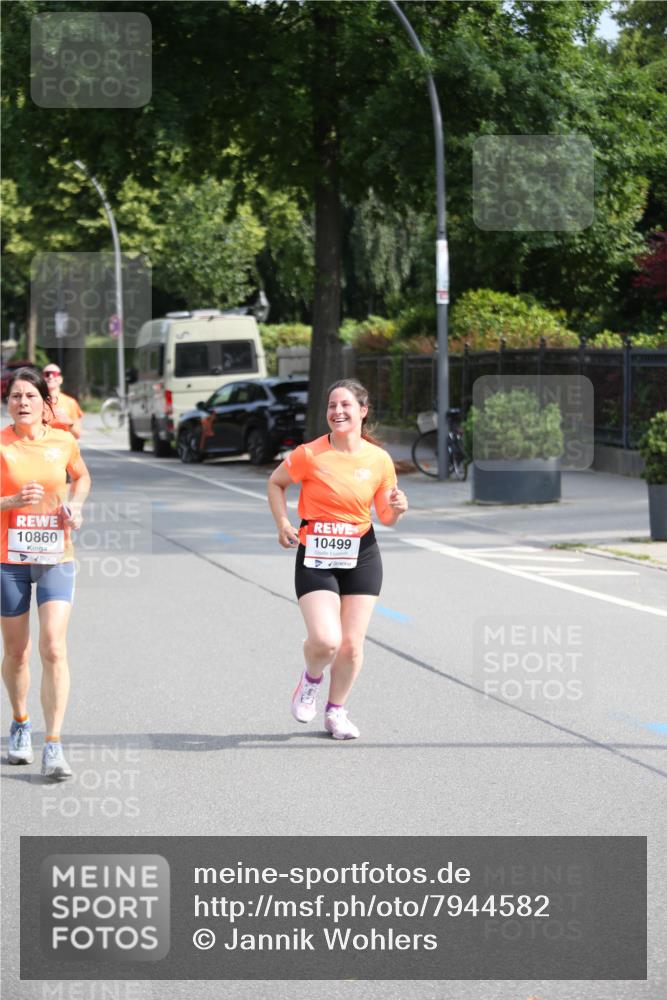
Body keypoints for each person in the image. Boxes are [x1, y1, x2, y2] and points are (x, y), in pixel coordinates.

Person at [268, 378, 408, 740]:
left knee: (351, 644)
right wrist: (283, 523)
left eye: (345, 405)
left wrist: (397, 508)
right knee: (326, 640)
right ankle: (310, 680)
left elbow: (386, 515)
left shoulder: (378, 459)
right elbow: (276, 482)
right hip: (316, 553)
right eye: (332, 405)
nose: (337, 411)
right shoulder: (309, 454)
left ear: (363, 411)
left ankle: (336, 712)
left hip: (362, 553)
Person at [1, 367, 91, 780]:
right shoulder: (1, 443)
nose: (22, 403)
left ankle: (53, 743)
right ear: (8, 403)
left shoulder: (63, 441)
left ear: (45, 402)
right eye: (15, 396)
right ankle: (21, 722)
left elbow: (82, 476)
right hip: (8, 559)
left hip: (56, 555)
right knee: (17, 652)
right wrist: (12, 500)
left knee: (54, 647)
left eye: (30, 396)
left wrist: (76, 506)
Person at [42, 364, 83, 439]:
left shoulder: (70, 402)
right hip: (42, 444)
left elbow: (77, 434)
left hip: (64, 445)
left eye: (55, 374)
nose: (51, 376)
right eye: (47, 374)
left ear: (61, 379)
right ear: (42, 379)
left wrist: (69, 422)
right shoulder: (35, 401)